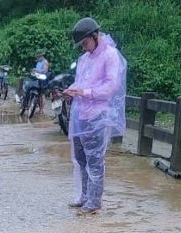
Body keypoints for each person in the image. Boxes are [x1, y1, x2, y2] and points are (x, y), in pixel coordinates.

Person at [62, 17, 126, 216]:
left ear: (95, 36)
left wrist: (85, 93)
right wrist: (71, 90)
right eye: (81, 45)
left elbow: (110, 87)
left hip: (98, 115)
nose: (84, 47)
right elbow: (80, 82)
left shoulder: (110, 56)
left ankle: (94, 201)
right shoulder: (84, 59)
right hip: (81, 114)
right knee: (81, 158)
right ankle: (84, 195)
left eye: (85, 43)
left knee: (95, 160)